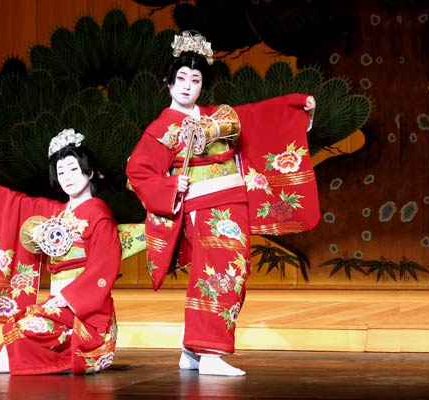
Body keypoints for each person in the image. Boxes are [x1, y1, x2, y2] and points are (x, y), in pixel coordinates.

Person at [125, 31, 319, 376]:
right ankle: (210, 352)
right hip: (204, 208)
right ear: (167, 82)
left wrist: (294, 105)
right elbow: (137, 172)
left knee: (237, 270)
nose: (187, 86)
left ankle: (191, 350)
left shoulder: (218, 117)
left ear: (203, 85)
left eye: (195, 79)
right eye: (181, 78)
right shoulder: (160, 129)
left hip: (234, 202)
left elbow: (259, 118)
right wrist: (171, 184)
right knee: (219, 273)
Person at [0, 128, 121, 375]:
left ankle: (76, 354)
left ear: (89, 172)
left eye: (73, 169)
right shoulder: (57, 211)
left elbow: (103, 267)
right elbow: (15, 203)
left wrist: (68, 297)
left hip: (86, 311)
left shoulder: (99, 215)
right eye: (61, 172)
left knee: (26, 330)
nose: (67, 177)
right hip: (59, 304)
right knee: (19, 326)